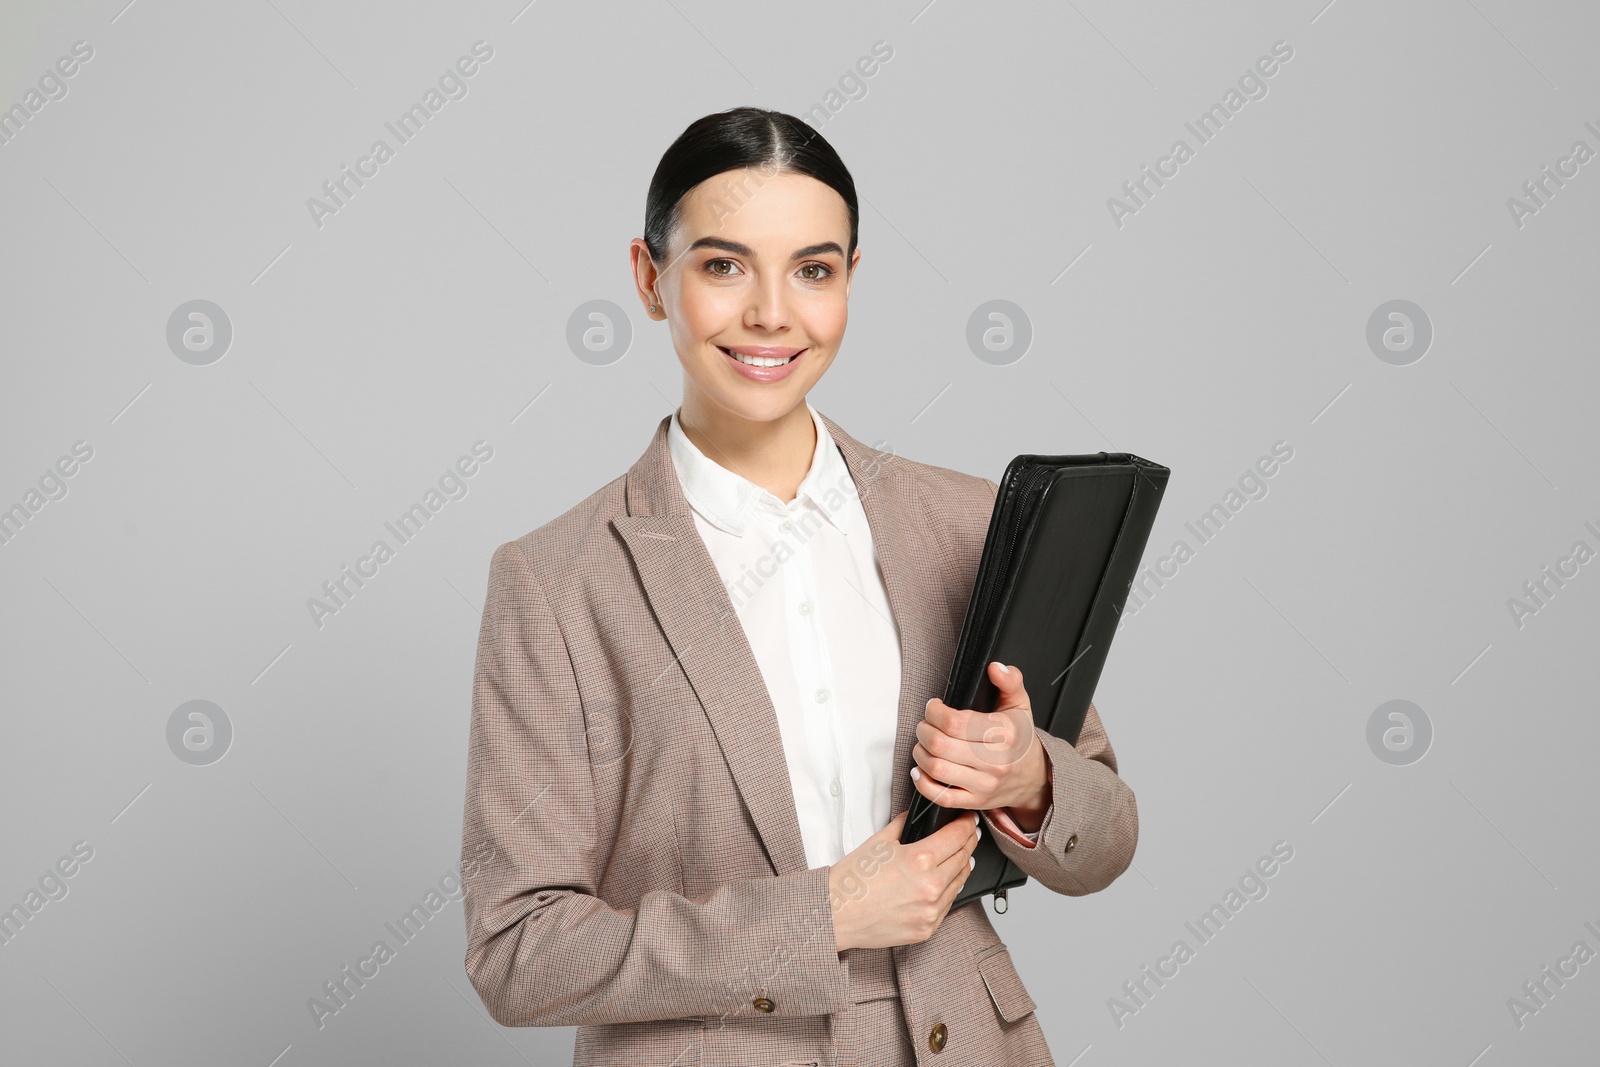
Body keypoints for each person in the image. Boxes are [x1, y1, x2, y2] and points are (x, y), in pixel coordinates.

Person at [459, 106, 1138, 1066]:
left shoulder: (965, 521)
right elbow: (517, 949)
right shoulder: (555, 582)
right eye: (723, 265)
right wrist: (821, 916)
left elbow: (1106, 835)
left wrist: (1029, 781)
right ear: (651, 279)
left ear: (851, 282)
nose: (772, 313)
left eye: (813, 270)